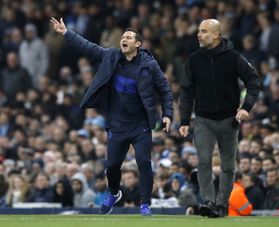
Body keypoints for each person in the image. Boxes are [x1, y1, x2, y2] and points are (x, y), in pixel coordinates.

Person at [50, 17, 173, 215]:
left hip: (140, 124)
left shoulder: (149, 65)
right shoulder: (112, 56)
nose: (124, 39)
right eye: (123, 36)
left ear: (138, 44)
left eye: (129, 37)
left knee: (143, 162)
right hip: (117, 123)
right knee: (112, 166)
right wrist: (66, 32)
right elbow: (88, 47)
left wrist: (168, 113)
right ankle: (114, 192)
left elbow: (165, 89)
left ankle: (145, 204)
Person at [179, 19, 260, 218]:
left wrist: (246, 107)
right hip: (203, 119)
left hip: (229, 119)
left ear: (216, 35)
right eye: (199, 31)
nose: (199, 34)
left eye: (204, 31)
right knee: (204, 161)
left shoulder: (233, 57)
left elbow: (253, 80)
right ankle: (208, 202)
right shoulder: (194, 59)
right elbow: (186, 91)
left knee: (228, 165)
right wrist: (183, 120)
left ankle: (221, 204)